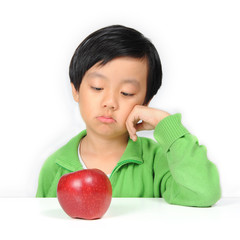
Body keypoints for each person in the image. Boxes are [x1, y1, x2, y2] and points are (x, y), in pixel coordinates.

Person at [36, 25, 221, 207]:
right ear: (75, 90)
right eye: (97, 87)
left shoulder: (158, 162)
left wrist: (165, 123)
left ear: (145, 102)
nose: (110, 102)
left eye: (127, 92)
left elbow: (204, 193)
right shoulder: (55, 167)